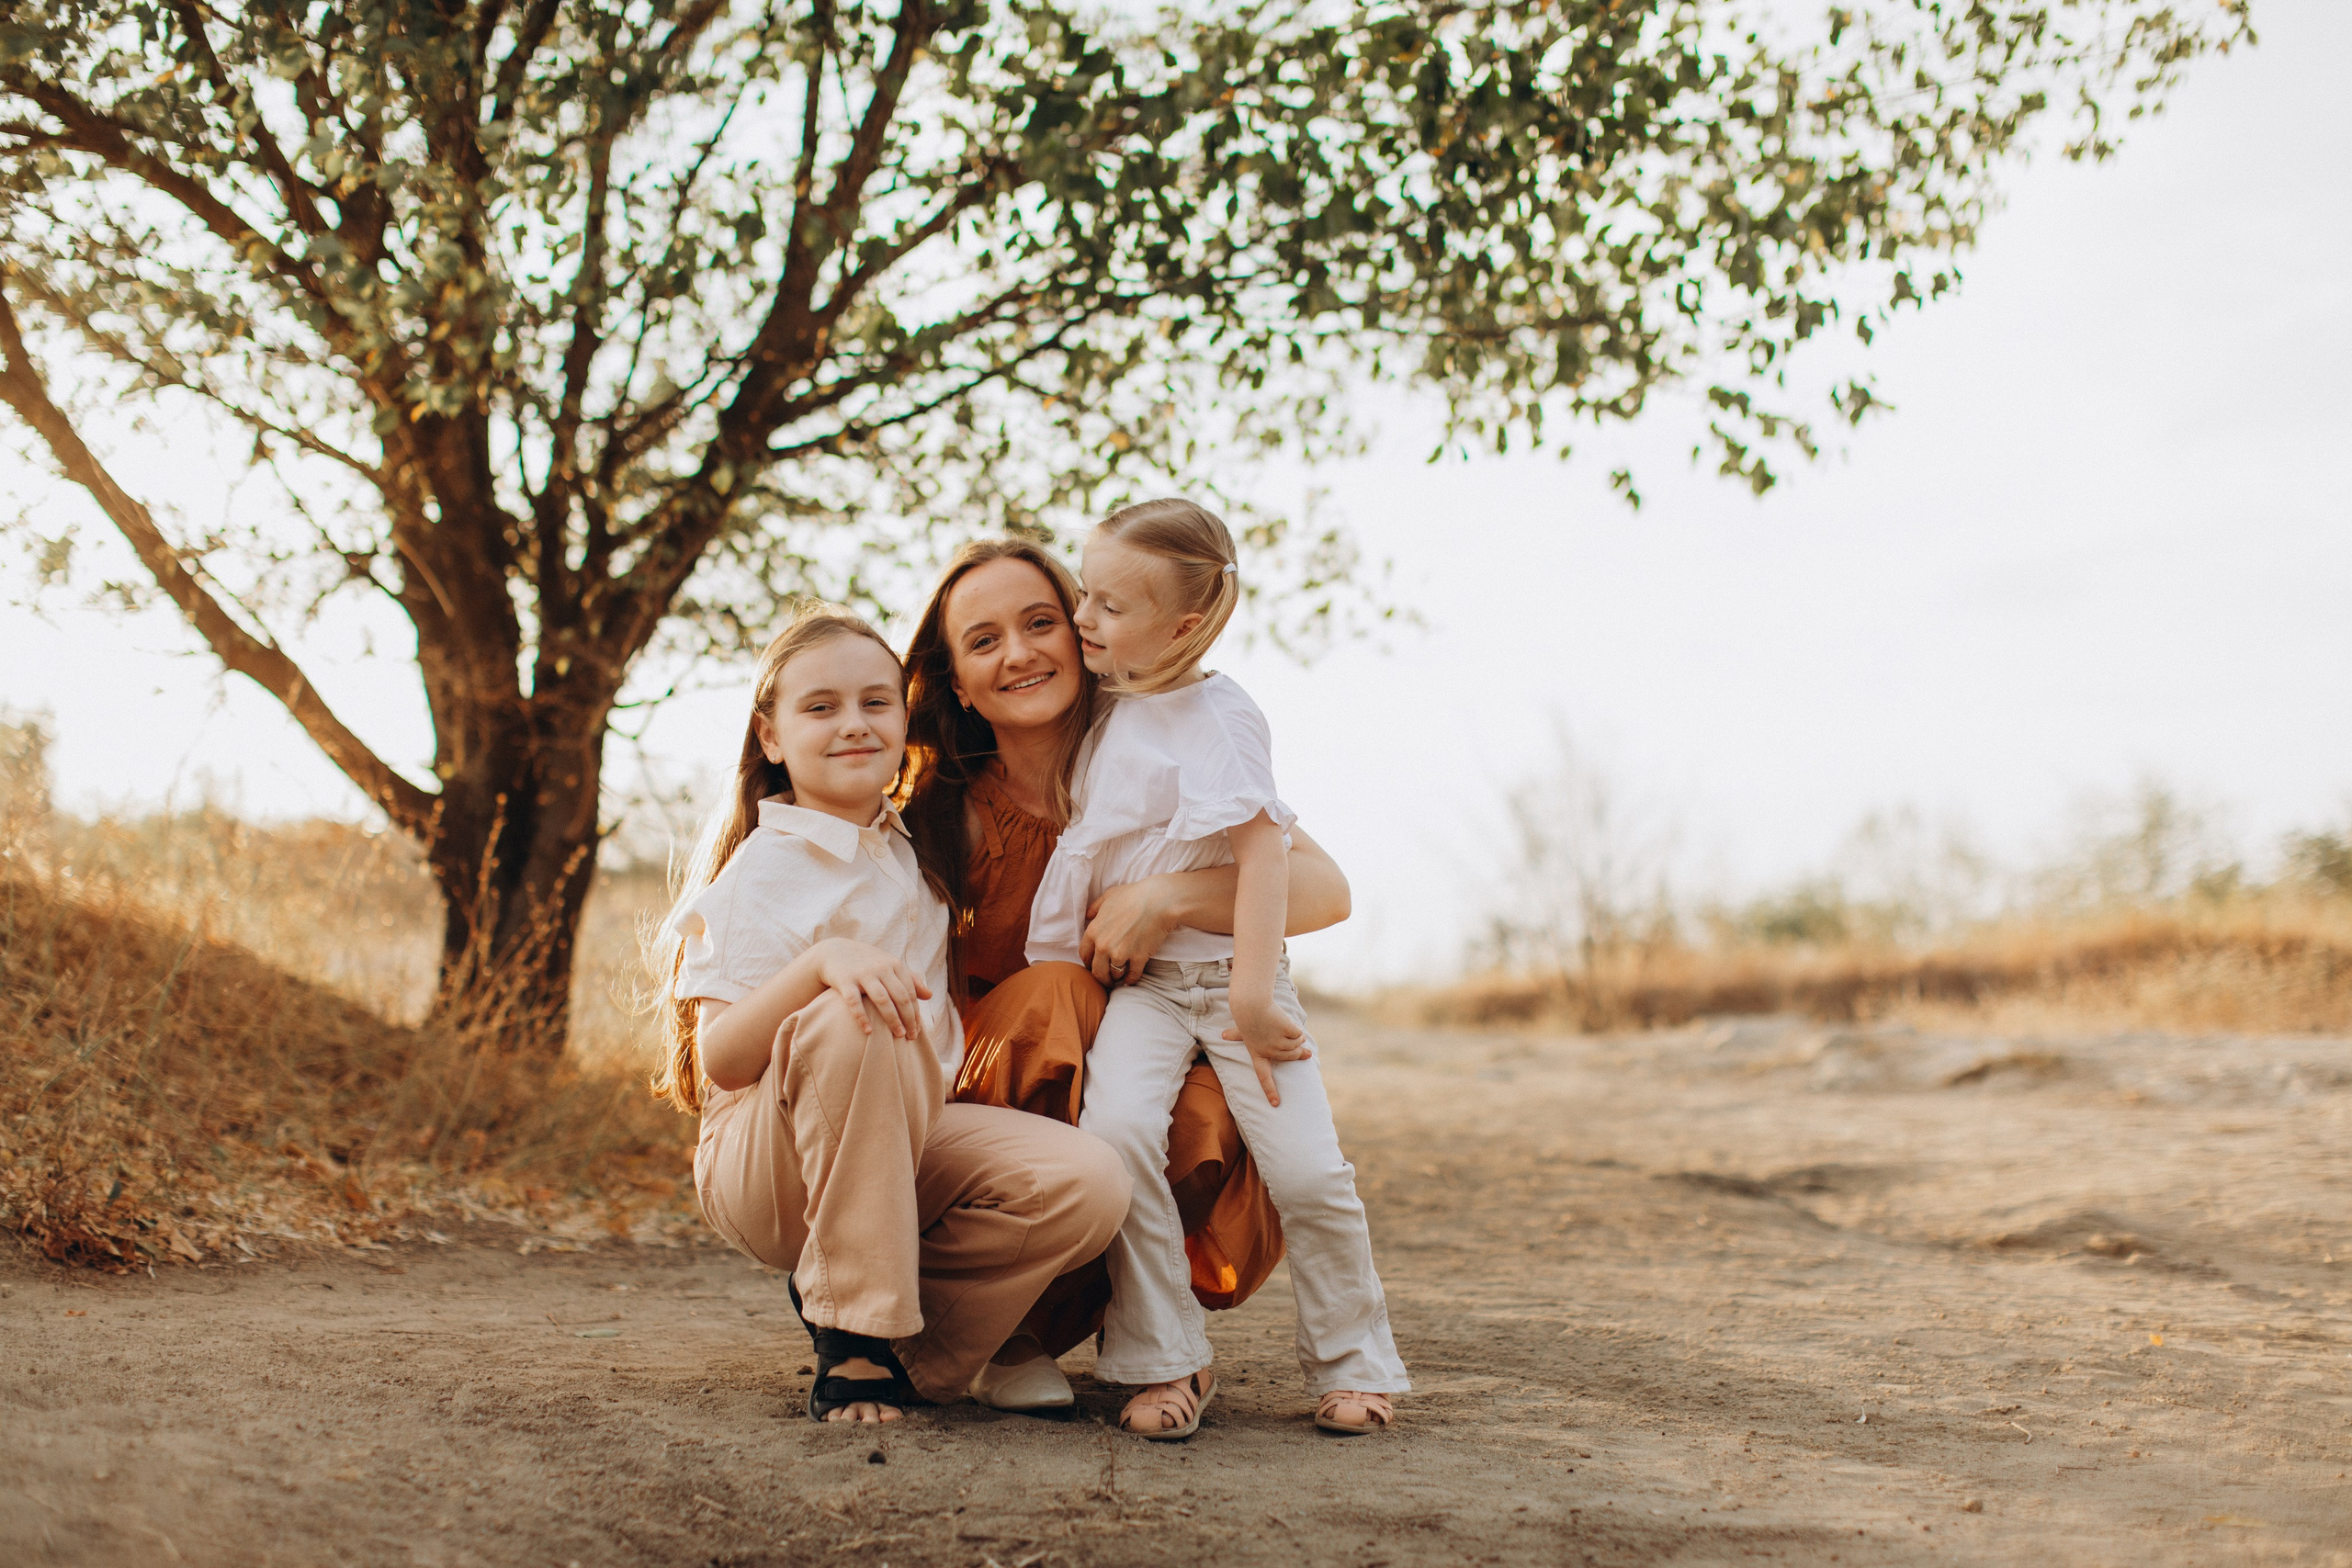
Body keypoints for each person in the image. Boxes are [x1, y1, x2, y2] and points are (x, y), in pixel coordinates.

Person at [899, 536, 1355, 1415]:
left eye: (1041, 622)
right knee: (1060, 995)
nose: (1022, 652)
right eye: (984, 640)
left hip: (1142, 1060)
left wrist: (1170, 897)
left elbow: (1325, 889)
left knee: (1205, 1107)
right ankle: (1011, 1321)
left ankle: (1154, 1335)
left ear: (1082, 633)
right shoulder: (939, 817)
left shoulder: (1165, 740)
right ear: (957, 681)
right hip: (992, 1106)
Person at [654, 604, 1130, 1424]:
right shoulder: (758, 870)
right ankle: (852, 1337)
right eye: (820, 707)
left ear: (905, 719)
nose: (853, 723)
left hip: (904, 1139)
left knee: (1090, 1183)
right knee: (856, 1011)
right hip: (770, 1163)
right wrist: (818, 965)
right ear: (771, 737)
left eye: (876, 702)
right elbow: (724, 1062)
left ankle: (910, 1340)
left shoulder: (910, 849)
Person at [1028, 498, 1409, 1438]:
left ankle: (1352, 1361)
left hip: (1237, 987)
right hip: (1147, 993)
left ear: (1184, 624)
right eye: (1084, 594)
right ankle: (1167, 1357)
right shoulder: (1111, 712)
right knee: (1116, 1138)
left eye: (1110, 608)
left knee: (1311, 1174)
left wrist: (1248, 987)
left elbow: (1268, 847)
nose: (1084, 621)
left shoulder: (1220, 715)